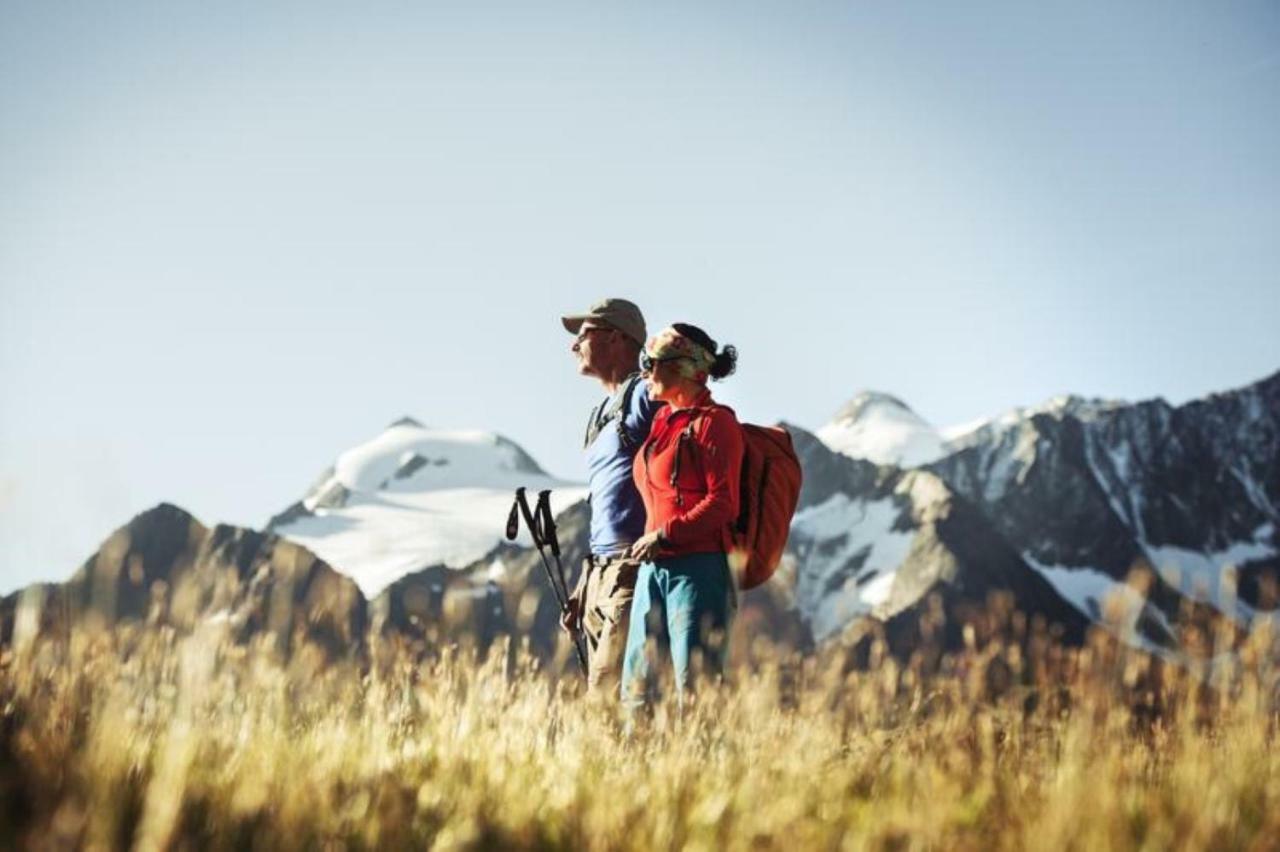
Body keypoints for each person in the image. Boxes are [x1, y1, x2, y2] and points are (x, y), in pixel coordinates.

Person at [621, 323, 743, 713]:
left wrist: (664, 535)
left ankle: (699, 771)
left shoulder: (715, 424)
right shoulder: (661, 426)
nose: (646, 371)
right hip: (652, 572)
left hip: (699, 571)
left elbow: (724, 502)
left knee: (695, 690)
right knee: (636, 690)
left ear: (692, 370)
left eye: (655, 362)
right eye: (646, 362)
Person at [559, 298, 661, 693]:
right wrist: (584, 588)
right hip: (599, 575)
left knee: (605, 698)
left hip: (629, 571)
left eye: (583, 335)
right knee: (607, 696)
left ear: (616, 338)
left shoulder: (640, 396)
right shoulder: (601, 414)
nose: (574, 346)